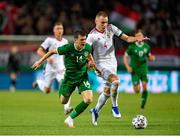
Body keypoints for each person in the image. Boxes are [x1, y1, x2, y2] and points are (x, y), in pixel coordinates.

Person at [86, 11, 149, 126]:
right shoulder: (91, 36)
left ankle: (95, 111)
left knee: (107, 91)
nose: (104, 25)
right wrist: (90, 61)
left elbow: (127, 38)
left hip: (112, 64)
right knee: (116, 81)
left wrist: (137, 39)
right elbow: (86, 51)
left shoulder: (111, 28)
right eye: (102, 22)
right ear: (96, 21)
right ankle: (114, 106)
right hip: (100, 65)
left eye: (106, 22)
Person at [32, 30, 96, 128]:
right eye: (81, 40)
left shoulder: (87, 47)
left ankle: (70, 119)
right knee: (63, 101)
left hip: (82, 77)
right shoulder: (68, 48)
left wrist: (93, 64)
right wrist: (40, 62)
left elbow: (89, 56)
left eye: (85, 39)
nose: (84, 41)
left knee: (88, 99)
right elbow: (52, 51)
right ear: (75, 40)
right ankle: (59, 86)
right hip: (69, 79)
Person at [32, 22, 72, 115]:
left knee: (65, 85)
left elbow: (66, 55)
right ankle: (39, 82)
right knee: (47, 90)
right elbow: (39, 51)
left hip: (61, 69)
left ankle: (66, 108)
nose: (59, 30)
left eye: (61, 28)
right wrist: (48, 57)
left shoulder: (65, 41)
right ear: (54, 30)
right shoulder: (49, 40)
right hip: (49, 69)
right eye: (57, 28)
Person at [123, 30, 155, 109]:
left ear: (143, 36)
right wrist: (127, 67)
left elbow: (149, 56)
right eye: (137, 36)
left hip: (143, 69)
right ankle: (137, 87)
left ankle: (143, 105)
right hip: (134, 70)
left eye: (140, 35)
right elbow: (125, 57)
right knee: (137, 90)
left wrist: (152, 58)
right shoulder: (132, 47)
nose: (139, 37)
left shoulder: (147, 47)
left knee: (144, 86)